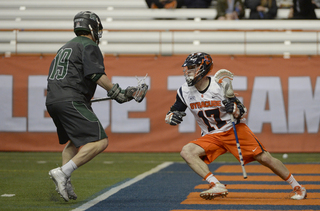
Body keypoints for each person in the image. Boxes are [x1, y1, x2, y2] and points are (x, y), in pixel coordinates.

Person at [165, 52, 307, 200]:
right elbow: (174, 111)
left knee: (264, 158)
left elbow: (241, 110)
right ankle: (215, 185)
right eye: (188, 68)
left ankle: (297, 187)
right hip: (211, 135)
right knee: (187, 152)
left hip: (233, 130)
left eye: (193, 67)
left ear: (203, 68)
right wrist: (170, 118)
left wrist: (233, 109)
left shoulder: (219, 85)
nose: (188, 71)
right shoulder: (184, 91)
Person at [46, 11, 140, 202]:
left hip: (54, 100)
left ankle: (65, 182)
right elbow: (95, 74)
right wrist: (117, 92)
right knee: (100, 141)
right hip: (70, 98)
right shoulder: (88, 45)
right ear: (92, 28)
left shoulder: (65, 47)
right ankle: (63, 173)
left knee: (74, 141)